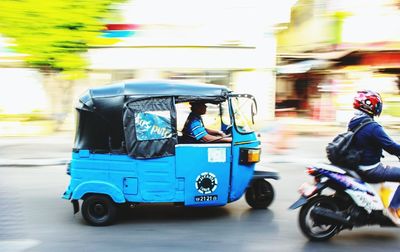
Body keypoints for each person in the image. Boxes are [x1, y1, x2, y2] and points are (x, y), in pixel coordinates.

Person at [350, 90, 400, 225]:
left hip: (359, 165)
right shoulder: (372, 127)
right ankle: (393, 209)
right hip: (371, 169)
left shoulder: (355, 122)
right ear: (371, 106)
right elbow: (391, 146)